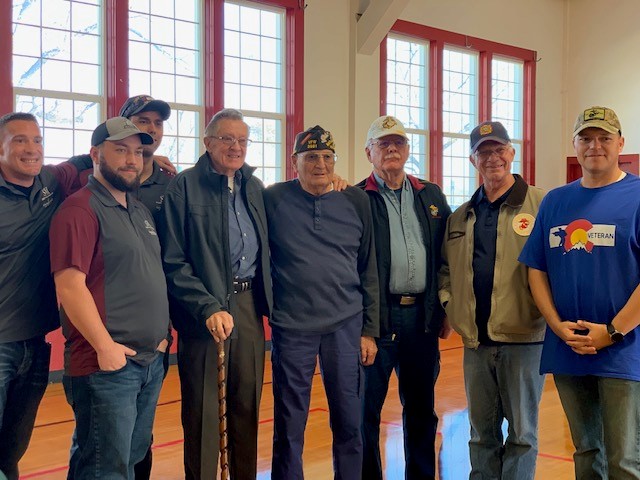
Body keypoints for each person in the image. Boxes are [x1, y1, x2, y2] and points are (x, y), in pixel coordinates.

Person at [519, 106, 640, 479]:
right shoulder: (555, 201)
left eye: (604, 138)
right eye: (586, 138)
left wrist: (613, 331)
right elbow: (536, 268)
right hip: (568, 348)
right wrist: (556, 326)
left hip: (623, 349)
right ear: (574, 144)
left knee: (624, 460)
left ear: (620, 143)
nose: (595, 146)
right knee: (586, 452)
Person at [49, 117, 171, 479]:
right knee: (103, 468)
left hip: (149, 360)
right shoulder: (79, 210)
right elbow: (70, 286)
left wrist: (160, 338)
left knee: (129, 461)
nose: (131, 160)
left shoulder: (138, 209)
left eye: (137, 151)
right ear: (95, 154)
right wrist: (106, 348)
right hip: (107, 366)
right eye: (120, 150)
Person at [158, 108, 271, 480]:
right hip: (203, 311)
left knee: (246, 406)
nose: (236, 147)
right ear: (207, 142)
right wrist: (206, 306)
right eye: (227, 139)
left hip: (248, 306)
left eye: (242, 140)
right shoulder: (184, 187)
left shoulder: (254, 187)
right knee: (204, 414)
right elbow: (173, 260)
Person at [265, 125, 379, 480]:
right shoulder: (272, 199)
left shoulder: (356, 200)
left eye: (327, 157)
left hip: (345, 325)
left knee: (349, 420)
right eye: (311, 156)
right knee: (289, 423)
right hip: (292, 326)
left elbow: (369, 267)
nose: (320, 164)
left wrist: (369, 330)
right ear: (294, 161)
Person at [439, 121, 546, 479]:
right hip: (476, 344)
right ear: (473, 160)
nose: (492, 158)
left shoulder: (542, 205)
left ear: (512, 153)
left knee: (522, 436)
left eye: (499, 149)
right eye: (483, 152)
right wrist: (450, 306)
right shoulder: (461, 216)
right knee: (481, 435)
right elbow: (445, 270)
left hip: (525, 341)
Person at [357, 115, 451, 480]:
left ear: (408, 150)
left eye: (398, 142)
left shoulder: (431, 194)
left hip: (421, 320)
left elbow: (446, 255)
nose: (392, 149)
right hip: (377, 321)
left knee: (421, 410)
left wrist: (444, 309)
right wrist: (363, 328)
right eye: (383, 144)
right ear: (369, 152)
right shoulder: (356, 198)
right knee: (365, 413)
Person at [0, 112, 84, 480]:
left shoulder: (50, 181)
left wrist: (148, 159)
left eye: (37, 140)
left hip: (34, 343)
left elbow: (88, 158)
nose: (31, 148)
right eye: (19, 140)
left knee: (11, 450)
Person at [71, 94, 174, 222]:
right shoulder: (91, 179)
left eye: (158, 123)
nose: (152, 129)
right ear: (124, 125)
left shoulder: (172, 185)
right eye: (143, 121)